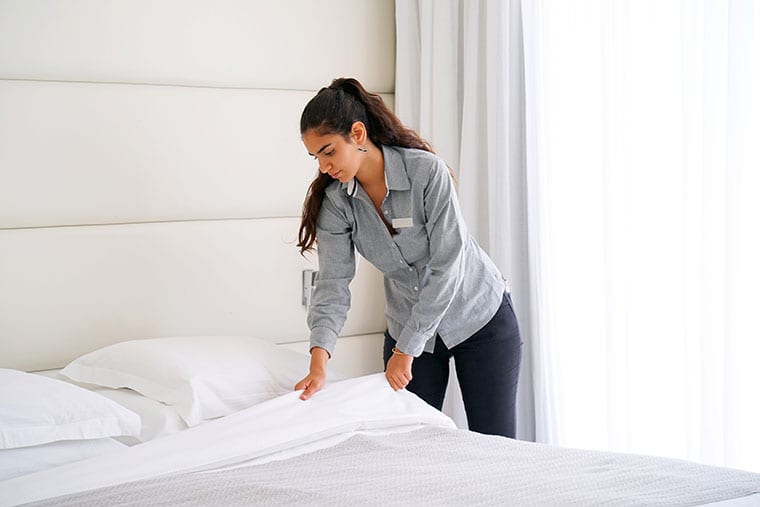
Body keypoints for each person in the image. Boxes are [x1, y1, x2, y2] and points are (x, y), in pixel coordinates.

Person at [293, 77, 522, 438]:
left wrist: (406, 349)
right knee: (411, 446)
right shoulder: (337, 203)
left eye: (328, 151)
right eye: (316, 157)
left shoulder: (425, 172)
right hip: (408, 329)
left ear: (357, 133)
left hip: (478, 318)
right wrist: (319, 361)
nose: (323, 167)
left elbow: (449, 263)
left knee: (495, 443)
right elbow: (333, 282)